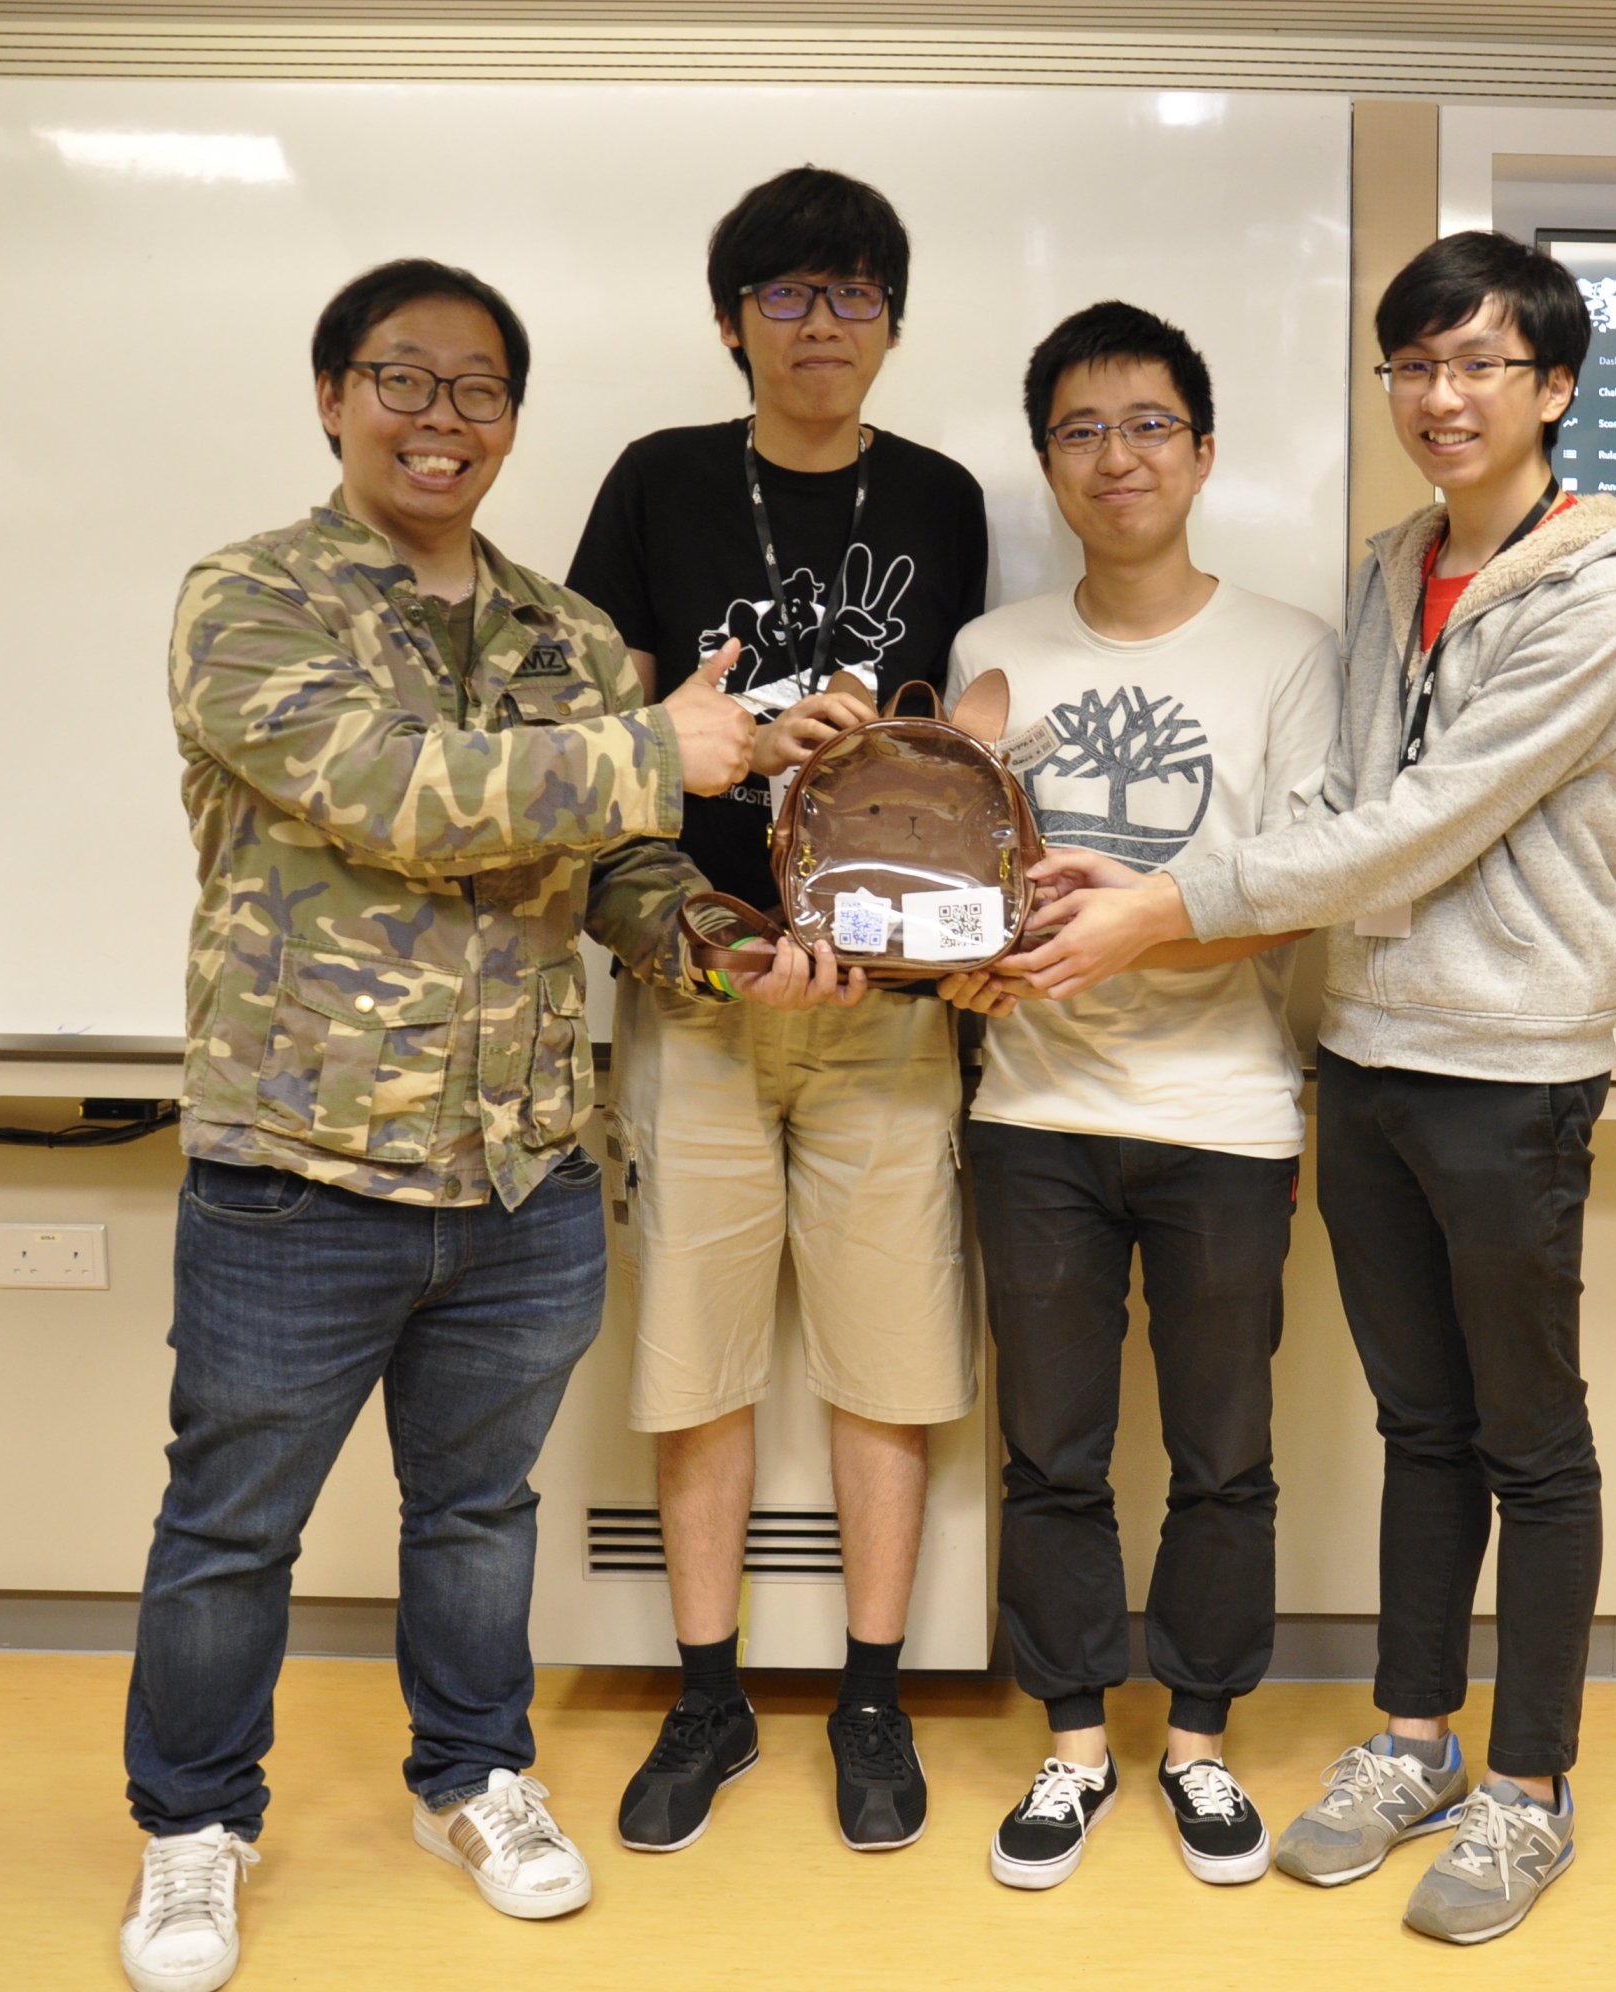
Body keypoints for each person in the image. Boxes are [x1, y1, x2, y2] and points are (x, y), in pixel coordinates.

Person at [1006, 231, 1616, 1944]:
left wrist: (1166, 906)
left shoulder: (1601, 596)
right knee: (1418, 1424)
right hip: (1368, 1059)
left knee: (1533, 1440)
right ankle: (1413, 1743)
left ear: (1554, 387)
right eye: (1415, 367)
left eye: (1481, 366)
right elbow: (1330, 829)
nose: (1444, 397)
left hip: (1508, 1069)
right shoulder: (1397, 569)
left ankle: (1529, 1789)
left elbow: (1416, 823)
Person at [122, 258, 757, 1992]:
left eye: (480, 391)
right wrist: (661, 745)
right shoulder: (251, 600)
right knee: (234, 1523)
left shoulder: (561, 633)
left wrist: (728, 948)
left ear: (510, 424)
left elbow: (615, 865)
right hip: (297, 1172)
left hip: (526, 1174)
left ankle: (470, 1777)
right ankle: (195, 1825)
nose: (442, 419)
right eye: (404, 381)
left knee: (478, 1515)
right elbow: (398, 794)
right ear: (331, 396)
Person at [566, 165, 989, 1859]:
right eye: (791, 295)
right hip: (707, 984)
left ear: (893, 318)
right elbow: (591, 734)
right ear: (733, 318)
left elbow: (964, 757)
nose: (826, 325)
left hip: (890, 1000)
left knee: (891, 1363)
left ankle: (874, 1697)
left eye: (856, 293)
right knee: (697, 1363)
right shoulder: (660, 483)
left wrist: (871, 744)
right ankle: (708, 1694)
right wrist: (723, 733)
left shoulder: (947, 496)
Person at [934, 303, 1339, 1892]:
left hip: (1228, 1115)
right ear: (1049, 463)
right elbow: (962, 885)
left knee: (1226, 1455)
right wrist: (959, 965)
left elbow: (1310, 887)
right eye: (1084, 430)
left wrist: (1150, 907)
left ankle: (1202, 1748)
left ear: (1205, 450)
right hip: (1034, 1116)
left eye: (1151, 424)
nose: (1120, 456)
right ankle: (1074, 1748)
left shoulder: (1291, 649)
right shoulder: (994, 651)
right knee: (1054, 1454)